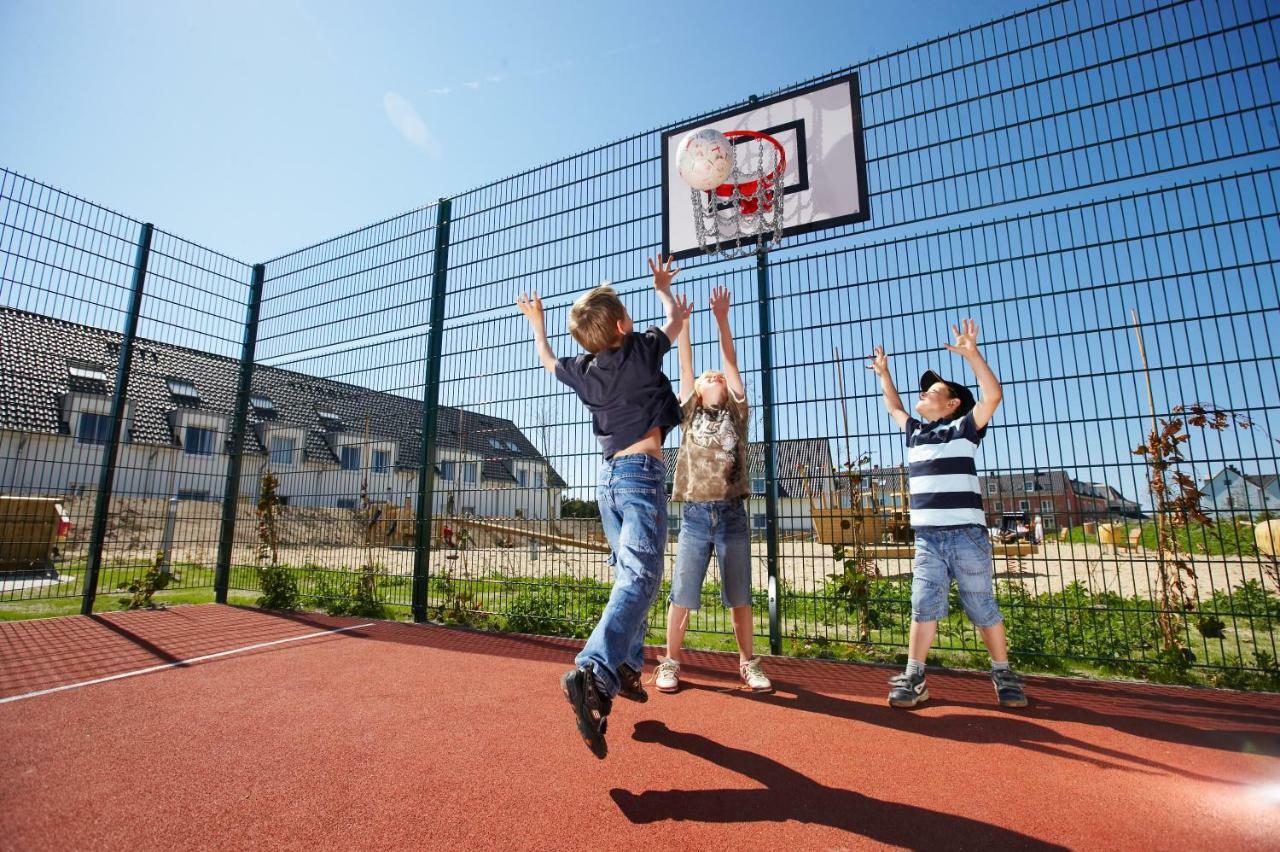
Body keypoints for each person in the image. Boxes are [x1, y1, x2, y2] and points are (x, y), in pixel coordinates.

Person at [516, 256, 691, 758]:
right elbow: (676, 324)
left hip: (607, 482)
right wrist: (663, 289)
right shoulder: (638, 352)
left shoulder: (585, 370)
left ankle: (628, 667)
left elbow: (549, 363)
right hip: (639, 477)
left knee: (631, 577)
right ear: (622, 325)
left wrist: (539, 326)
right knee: (641, 578)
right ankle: (595, 670)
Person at [867, 319, 1028, 709]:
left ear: (953, 403)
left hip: (967, 535)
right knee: (923, 605)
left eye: (933, 390)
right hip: (928, 539)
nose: (923, 392)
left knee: (981, 605)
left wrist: (971, 354)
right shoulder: (915, 433)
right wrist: (885, 374)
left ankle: (1002, 671)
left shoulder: (964, 429)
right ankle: (915, 676)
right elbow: (894, 407)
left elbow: (992, 396)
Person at [655, 285, 772, 695]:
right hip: (694, 517)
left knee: (740, 595)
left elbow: (731, 361)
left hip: (732, 517)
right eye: (708, 378)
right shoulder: (688, 414)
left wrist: (722, 320)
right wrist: (682, 323)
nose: (714, 376)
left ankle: (748, 662)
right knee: (682, 593)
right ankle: (670, 661)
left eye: (718, 376)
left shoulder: (737, 415)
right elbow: (686, 366)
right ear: (699, 393)